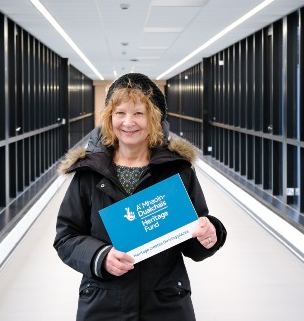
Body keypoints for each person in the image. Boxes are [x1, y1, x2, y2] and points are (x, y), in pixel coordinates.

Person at [53, 73, 227, 320]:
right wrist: (99, 256)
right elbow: (66, 238)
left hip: (164, 304)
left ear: (154, 119)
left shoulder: (176, 170)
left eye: (138, 113)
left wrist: (210, 233)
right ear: (109, 118)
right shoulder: (88, 173)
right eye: (120, 113)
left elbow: (193, 237)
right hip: (104, 304)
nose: (128, 122)